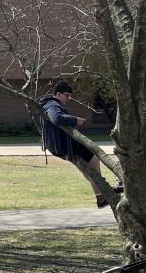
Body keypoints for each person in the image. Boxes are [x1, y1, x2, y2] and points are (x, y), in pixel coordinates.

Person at [38, 80, 122, 208]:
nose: (68, 98)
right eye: (67, 95)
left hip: (57, 145)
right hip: (63, 145)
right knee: (93, 161)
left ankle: (102, 193)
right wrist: (75, 120)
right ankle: (102, 195)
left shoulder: (48, 103)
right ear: (58, 94)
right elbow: (57, 118)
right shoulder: (53, 104)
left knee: (86, 169)